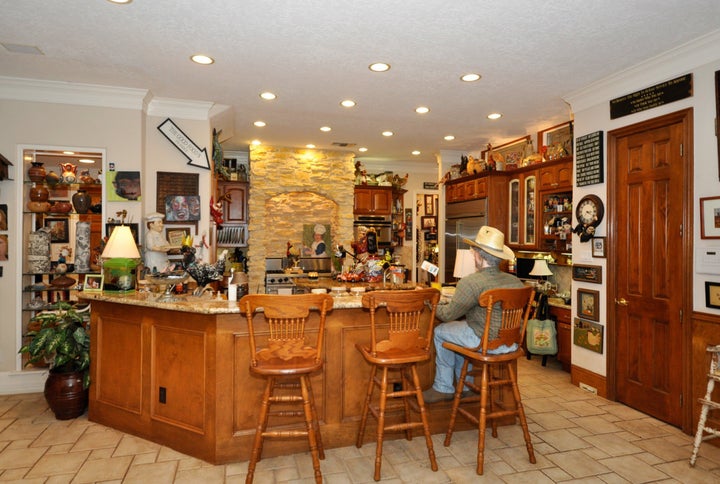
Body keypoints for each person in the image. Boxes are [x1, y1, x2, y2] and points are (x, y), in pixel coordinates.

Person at [423, 226, 525, 403]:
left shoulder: (471, 282)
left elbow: (447, 315)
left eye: (473, 252)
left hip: (486, 343)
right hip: (512, 344)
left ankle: (443, 387)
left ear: (479, 255)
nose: (472, 255)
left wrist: (431, 303)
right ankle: (467, 386)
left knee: (441, 332)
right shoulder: (515, 281)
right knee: (457, 333)